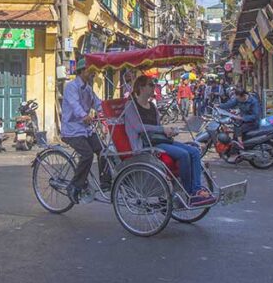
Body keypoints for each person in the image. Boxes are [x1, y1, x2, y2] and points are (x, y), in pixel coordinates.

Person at [122, 75, 212, 206]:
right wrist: (161, 129)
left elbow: (159, 126)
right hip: (146, 143)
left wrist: (168, 131)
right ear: (141, 87)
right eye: (151, 85)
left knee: (194, 151)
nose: (154, 87)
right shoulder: (131, 105)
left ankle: (196, 190)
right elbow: (137, 127)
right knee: (183, 154)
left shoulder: (152, 106)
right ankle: (189, 192)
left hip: (160, 140)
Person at [60, 57, 111, 200]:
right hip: (72, 130)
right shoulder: (71, 87)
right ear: (82, 71)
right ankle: (75, 186)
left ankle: (106, 182)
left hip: (86, 129)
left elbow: (98, 104)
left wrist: (110, 112)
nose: (93, 73)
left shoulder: (88, 89)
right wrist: (84, 116)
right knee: (87, 155)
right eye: (90, 71)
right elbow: (75, 105)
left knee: (104, 150)